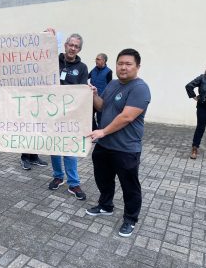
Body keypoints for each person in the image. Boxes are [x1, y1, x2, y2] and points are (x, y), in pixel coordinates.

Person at [86, 48, 151, 237]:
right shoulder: (113, 84)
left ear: (137, 66)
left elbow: (127, 117)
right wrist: (94, 95)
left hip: (126, 148)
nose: (123, 67)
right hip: (105, 145)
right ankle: (106, 205)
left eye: (128, 64)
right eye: (120, 63)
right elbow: (102, 107)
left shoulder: (140, 88)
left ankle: (130, 219)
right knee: (103, 179)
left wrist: (103, 131)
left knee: (129, 186)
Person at [48, 31, 89, 200]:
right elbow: (37, 56)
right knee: (54, 147)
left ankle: (74, 183)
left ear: (79, 49)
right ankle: (58, 176)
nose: (72, 48)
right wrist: (47, 36)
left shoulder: (82, 68)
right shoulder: (51, 61)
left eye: (76, 46)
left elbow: (82, 92)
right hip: (51, 114)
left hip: (70, 116)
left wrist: (89, 91)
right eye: (70, 45)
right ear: (65, 45)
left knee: (69, 148)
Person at [186, 57, 206, 161]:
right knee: (200, 128)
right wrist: (194, 97)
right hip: (203, 108)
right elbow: (189, 86)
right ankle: (194, 149)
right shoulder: (203, 78)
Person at [88, 53, 112, 130]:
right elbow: (85, 77)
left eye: (98, 59)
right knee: (89, 115)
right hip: (91, 97)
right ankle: (94, 130)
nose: (96, 61)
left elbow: (109, 86)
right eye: (96, 59)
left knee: (100, 118)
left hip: (102, 99)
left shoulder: (108, 72)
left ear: (104, 61)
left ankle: (101, 134)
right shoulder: (94, 70)